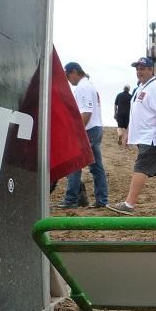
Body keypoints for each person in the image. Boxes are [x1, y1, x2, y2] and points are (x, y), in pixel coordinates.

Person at [108, 57, 156, 215]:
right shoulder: (141, 87)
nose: (139, 71)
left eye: (143, 68)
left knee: (140, 168)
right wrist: (128, 133)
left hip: (152, 138)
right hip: (145, 137)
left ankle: (129, 204)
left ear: (151, 70)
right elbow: (136, 114)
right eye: (137, 69)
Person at [57, 61, 108, 209]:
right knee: (96, 167)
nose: (67, 80)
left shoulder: (83, 87)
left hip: (88, 129)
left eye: (67, 76)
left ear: (74, 72)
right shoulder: (89, 85)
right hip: (95, 128)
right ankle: (102, 200)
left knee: (75, 163)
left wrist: (78, 131)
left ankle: (71, 199)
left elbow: (86, 112)